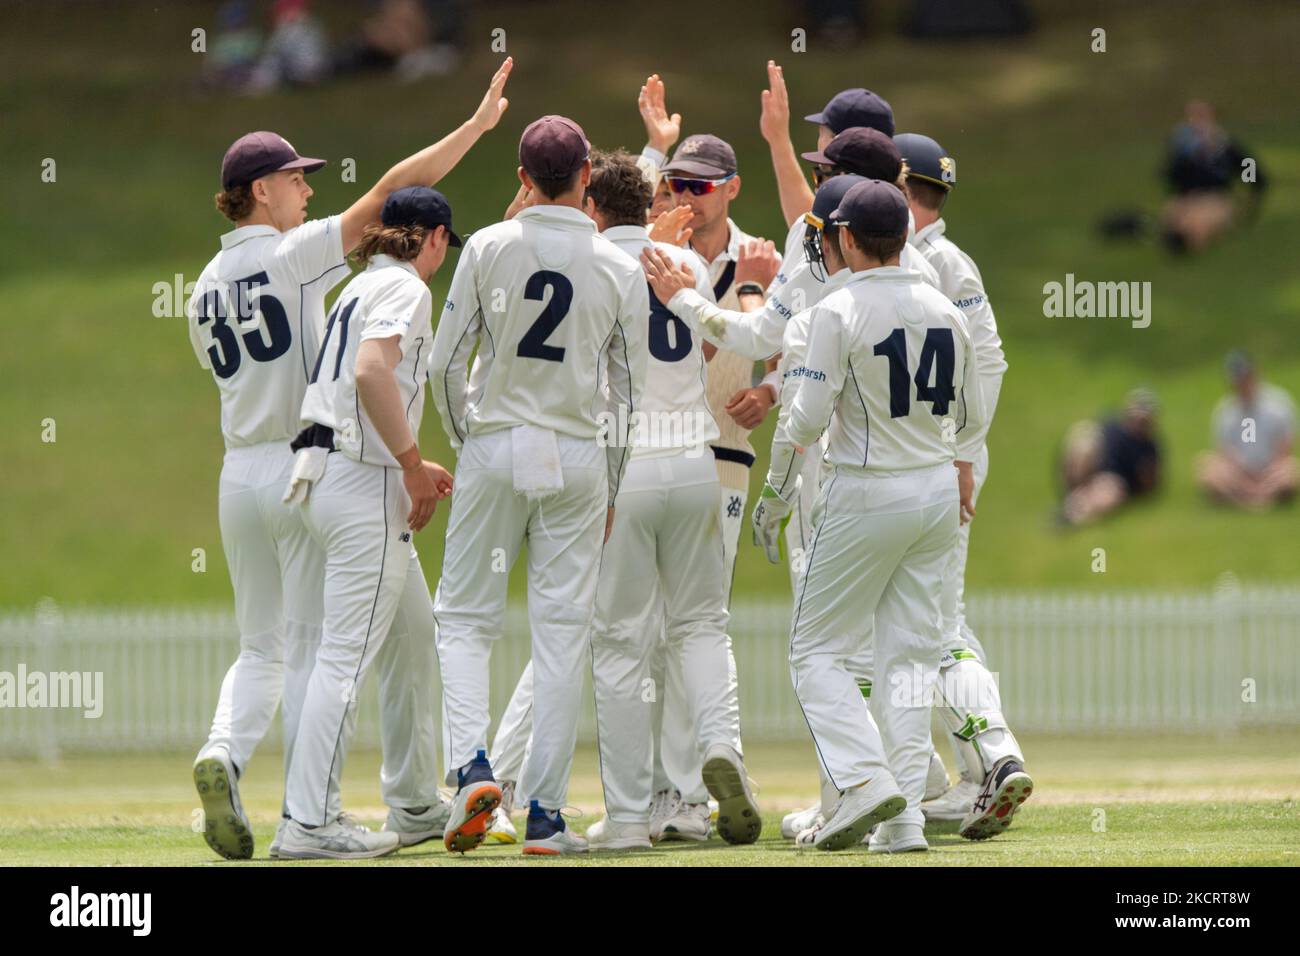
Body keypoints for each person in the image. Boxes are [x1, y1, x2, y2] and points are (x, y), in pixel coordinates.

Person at [187, 58, 512, 861]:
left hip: (242, 470)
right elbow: (394, 190)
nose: (307, 189)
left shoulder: (199, 288)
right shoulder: (293, 254)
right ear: (262, 190)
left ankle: (234, 754)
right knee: (315, 653)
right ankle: (312, 817)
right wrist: (473, 130)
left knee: (290, 644)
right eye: (297, 178)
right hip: (317, 461)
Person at [430, 115, 647, 856]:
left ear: (523, 179)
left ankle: (472, 768)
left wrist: (472, 438)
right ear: (587, 175)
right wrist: (613, 484)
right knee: (562, 636)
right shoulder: (618, 266)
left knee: (463, 617)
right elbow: (629, 390)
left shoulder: (489, 246)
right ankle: (547, 817)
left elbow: (442, 364)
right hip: (580, 453)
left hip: (497, 442)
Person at [782, 179, 990, 852]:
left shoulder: (837, 311)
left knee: (814, 650)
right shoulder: (945, 307)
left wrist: (793, 414)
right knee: (908, 657)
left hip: (867, 488)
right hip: (934, 488)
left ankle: (864, 779)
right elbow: (974, 416)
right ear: (903, 235)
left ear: (845, 239)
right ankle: (902, 823)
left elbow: (808, 420)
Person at [580, 150, 760, 850]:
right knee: (701, 628)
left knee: (623, 644)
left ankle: (629, 818)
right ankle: (718, 749)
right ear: (647, 202)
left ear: (592, 207)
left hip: (624, 467)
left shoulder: (590, 265)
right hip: (694, 465)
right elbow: (713, 352)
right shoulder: (677, 264)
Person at [276, 187, 457, 860]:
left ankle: (413, 804)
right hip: (364, 487)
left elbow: (358, 384)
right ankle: (308, 824)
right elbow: (372, 372)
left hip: (329, 471)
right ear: (435, 236)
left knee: (413, 639)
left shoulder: (361, 285)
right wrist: (409, 465)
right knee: (345, 660)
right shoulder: (407, 289)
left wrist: (407, 456)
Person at [640, 132, 776, 840]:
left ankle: (685, 792)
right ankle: (686, 785)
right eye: (675, 183)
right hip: (648, 455)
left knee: (691, 623)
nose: (686, 197)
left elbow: (803, 341)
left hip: (722, 454)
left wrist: (776, 389)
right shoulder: (656, 251)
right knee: (660, 628)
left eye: (700, 184)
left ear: (731, 187)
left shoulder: (764, 258)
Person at [896, 132, 1031, 839]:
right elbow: (989, 362)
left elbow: (992, 363)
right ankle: (974, 771)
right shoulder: (948, 259)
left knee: (935, 626)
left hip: (928, 470)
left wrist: (958, 454)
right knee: (936, 622)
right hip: (941, 467)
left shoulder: (932, 262)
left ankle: (993, 759)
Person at [1161, 100, 1266, 254]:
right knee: (1171, 217)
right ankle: (1180, 240)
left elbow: (1249, 168)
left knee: (1199, 221)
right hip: (1188, 197)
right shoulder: (1182, 148)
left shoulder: (1226, 146)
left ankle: (1191, 245)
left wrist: (1249, 198)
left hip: (1216, 196)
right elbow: (1170, 176)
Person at [1197, 351, 1297, 508]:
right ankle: (1252, 498)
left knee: (1290, 470)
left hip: (1270, 470)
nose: (1242, 384)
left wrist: (1268, 471)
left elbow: (1285, 446)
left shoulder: (1279, 404)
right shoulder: (1225, 410)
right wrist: (1244, 476)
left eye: (1245, 377)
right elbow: (1224, 450)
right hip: (1238, 472)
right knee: (1206, 467)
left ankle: (1256, 496)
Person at [1059, 389, 1163, 527]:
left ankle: (1075, 513)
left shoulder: (1149, 447)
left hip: (1112, 483)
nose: (1139, 422)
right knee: (1083, 438)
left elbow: (1148, 485)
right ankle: (1073, 498)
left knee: (1109, 491)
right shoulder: (1111, 427)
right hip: (1090, 472)